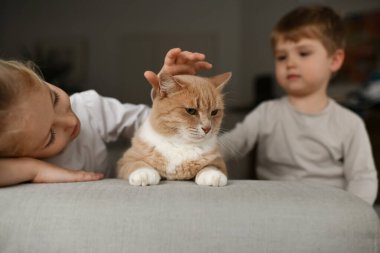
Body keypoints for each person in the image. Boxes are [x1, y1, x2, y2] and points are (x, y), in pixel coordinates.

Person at [220, 5, 378, 204]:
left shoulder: (350, 123)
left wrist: (354, 215)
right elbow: (231, 144)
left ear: (335, 60)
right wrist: (196, 151)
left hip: (329, 210)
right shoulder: (266, 113)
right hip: (275, 208)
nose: (290, 63)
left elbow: (362, 178)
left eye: (303, 53)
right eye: (282, 57)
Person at [0, 48, 212, 187]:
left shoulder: (89, 107)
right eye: (50, 136)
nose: (71, 122)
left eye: (54, 98)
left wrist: (169, 96)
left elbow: (144, 123)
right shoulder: (14, 159)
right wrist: (34, 169)